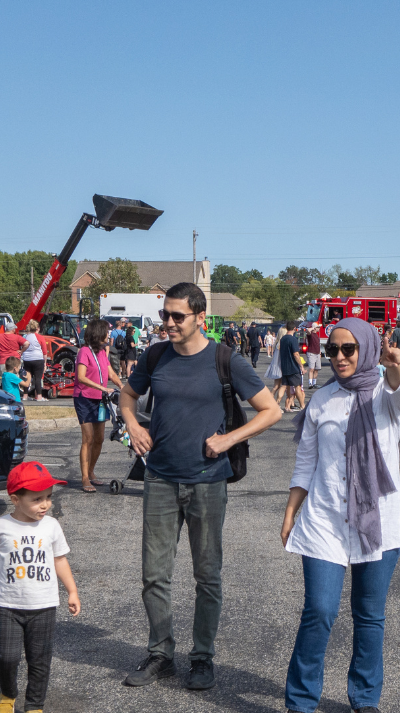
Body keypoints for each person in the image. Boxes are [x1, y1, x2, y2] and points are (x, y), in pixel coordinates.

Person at [119, 282, 281, 690]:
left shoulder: (226, 359)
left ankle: (202, 658)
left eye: (177, 317)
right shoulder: (155, 355)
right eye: (165, 316)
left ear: (200, 318)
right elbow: (127, 394)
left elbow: (271, 410)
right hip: (159, 478)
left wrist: (229, 439)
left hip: (208, 482)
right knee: (153, 575)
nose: (169, 323)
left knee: (207, 576)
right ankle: (161, 653)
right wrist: (133, 423)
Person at [281, 318, 400, 713]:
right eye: (332, 349)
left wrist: (395, 364)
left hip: (379, 521)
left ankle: (365, 697)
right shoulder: (320, 399)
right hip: (324, 519)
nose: (338, 357)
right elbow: (306, 460)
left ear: (368, 350)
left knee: (369, 614)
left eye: (349, 349)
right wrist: (290, 512)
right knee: (318, 610)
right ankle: (301, 700)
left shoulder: (386, 395)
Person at [0, 461, 79, 713]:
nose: (45, 505)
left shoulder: (51, 526)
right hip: (9, 604)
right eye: (37, 499)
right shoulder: (0, 526)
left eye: (48, 498)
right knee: (6, 657)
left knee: (39, 658)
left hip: (43, 605)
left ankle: (34, 706)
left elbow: (60, 561)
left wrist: (72, 591)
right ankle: (7, 695)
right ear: (15, 499)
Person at [73, 319, 123, 493]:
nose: (108, 335)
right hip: (84, 398)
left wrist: (123, 388)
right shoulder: (84, 352)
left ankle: (91, 471)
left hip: (100, 399)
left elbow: (111, 373)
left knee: (99, 438)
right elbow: (81, 377)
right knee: (87, 438)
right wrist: (103, 387)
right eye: (106, 332)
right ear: (98, 333)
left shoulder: (102, 352)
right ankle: (85, 477)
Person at [278, 321, 305, 412]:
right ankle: (302, 406)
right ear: (294, 329)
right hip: (293, 367)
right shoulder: (293, 339)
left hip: (284, 366)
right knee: (297, 386)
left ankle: (277, 404)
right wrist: (301, 366)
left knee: (284, 386)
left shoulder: (283, 339)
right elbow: (296, 354)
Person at [21, 319, 48, 401]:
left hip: (27, 359)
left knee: (27, 377)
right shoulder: (40, 337)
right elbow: (44, 352)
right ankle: (39, 396)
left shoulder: (25, 337)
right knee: (37, 378)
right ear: (37, 328)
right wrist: (45, 363)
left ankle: (25, 396)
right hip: (38, 359)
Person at [305, 323, 322, 388]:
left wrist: (320, 353)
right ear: (315, 328)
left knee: (317, 369)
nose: (319, 328)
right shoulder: (310, 334)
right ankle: (310, 383)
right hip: (311, 353)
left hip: (317, 353)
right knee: (311, 369)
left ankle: (314, 383)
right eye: (318, 327)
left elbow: (318, 344)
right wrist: (313, 328)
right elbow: (307, 331)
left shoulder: (316, 335)